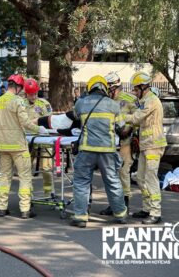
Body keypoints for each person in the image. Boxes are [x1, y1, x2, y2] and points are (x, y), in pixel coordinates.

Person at [70, 75, 127, 228]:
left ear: (90, 88)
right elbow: (122, 129)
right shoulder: (114, 105)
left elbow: (75, 118)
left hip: (86, 149)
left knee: (82, 182)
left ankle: (81, 217)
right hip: (107, 151)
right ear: (104, 88)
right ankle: (120, 214)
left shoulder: (81, 103)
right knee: (113, 182)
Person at [0, 74, 48, 219]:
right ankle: (25, 209)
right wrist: (39, 129)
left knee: (5, 177)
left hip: (3, 146)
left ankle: (2, 207)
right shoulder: (18, 101)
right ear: (17, 87)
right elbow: (25, 122)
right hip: (18, 146)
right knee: (25, 177)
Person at [124, 71, 167, 224]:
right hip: (146, 145)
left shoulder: (151, 100)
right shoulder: (145, 100)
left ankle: (155, 212)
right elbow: (137, 120)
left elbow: (136, 117)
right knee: (140, 177)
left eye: (136, 89)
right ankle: (147, 208)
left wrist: (120, 117)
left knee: (150, 177)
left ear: (143, 87)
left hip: (154, 145)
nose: (135, 92)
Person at [100, 72, 139, 216]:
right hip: (109, 142)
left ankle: (125, 204)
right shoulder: (106, 100)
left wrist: (128, 129)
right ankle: (113, 204)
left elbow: (138, 118)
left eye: (108, 88)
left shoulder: (130, 98)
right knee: (111, 174)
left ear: (114, 86)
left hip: (125, 142)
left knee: (123, 172)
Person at [23, 78, 53, 196]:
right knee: (26, 168)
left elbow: (49, 120)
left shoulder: (44, 104)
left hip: (43, 139)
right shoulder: (21, 104)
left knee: (46, 168)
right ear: (26, 93)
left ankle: (48, 192)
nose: (33, 96)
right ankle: (28, 194)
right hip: (27, 140)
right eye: (31, 94)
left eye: (35, 93)